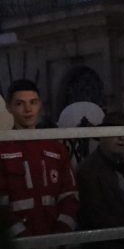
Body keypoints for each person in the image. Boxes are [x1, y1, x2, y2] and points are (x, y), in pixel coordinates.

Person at [0, 79, 79, 237]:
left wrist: (61, 234)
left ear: (40, 104)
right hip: (19, 241)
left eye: (33, 102)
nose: (28, 109)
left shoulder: (56, 149)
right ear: (9, 107)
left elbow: (70, 196)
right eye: (20, 104)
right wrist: (23, 239)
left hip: (56, 238)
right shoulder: (3, 150)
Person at [77, 112, 124, 248]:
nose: (122, 138)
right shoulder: (90, 171)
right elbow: (96, 218)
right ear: (102, 136)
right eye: (115, 132)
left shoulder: (123, 166)